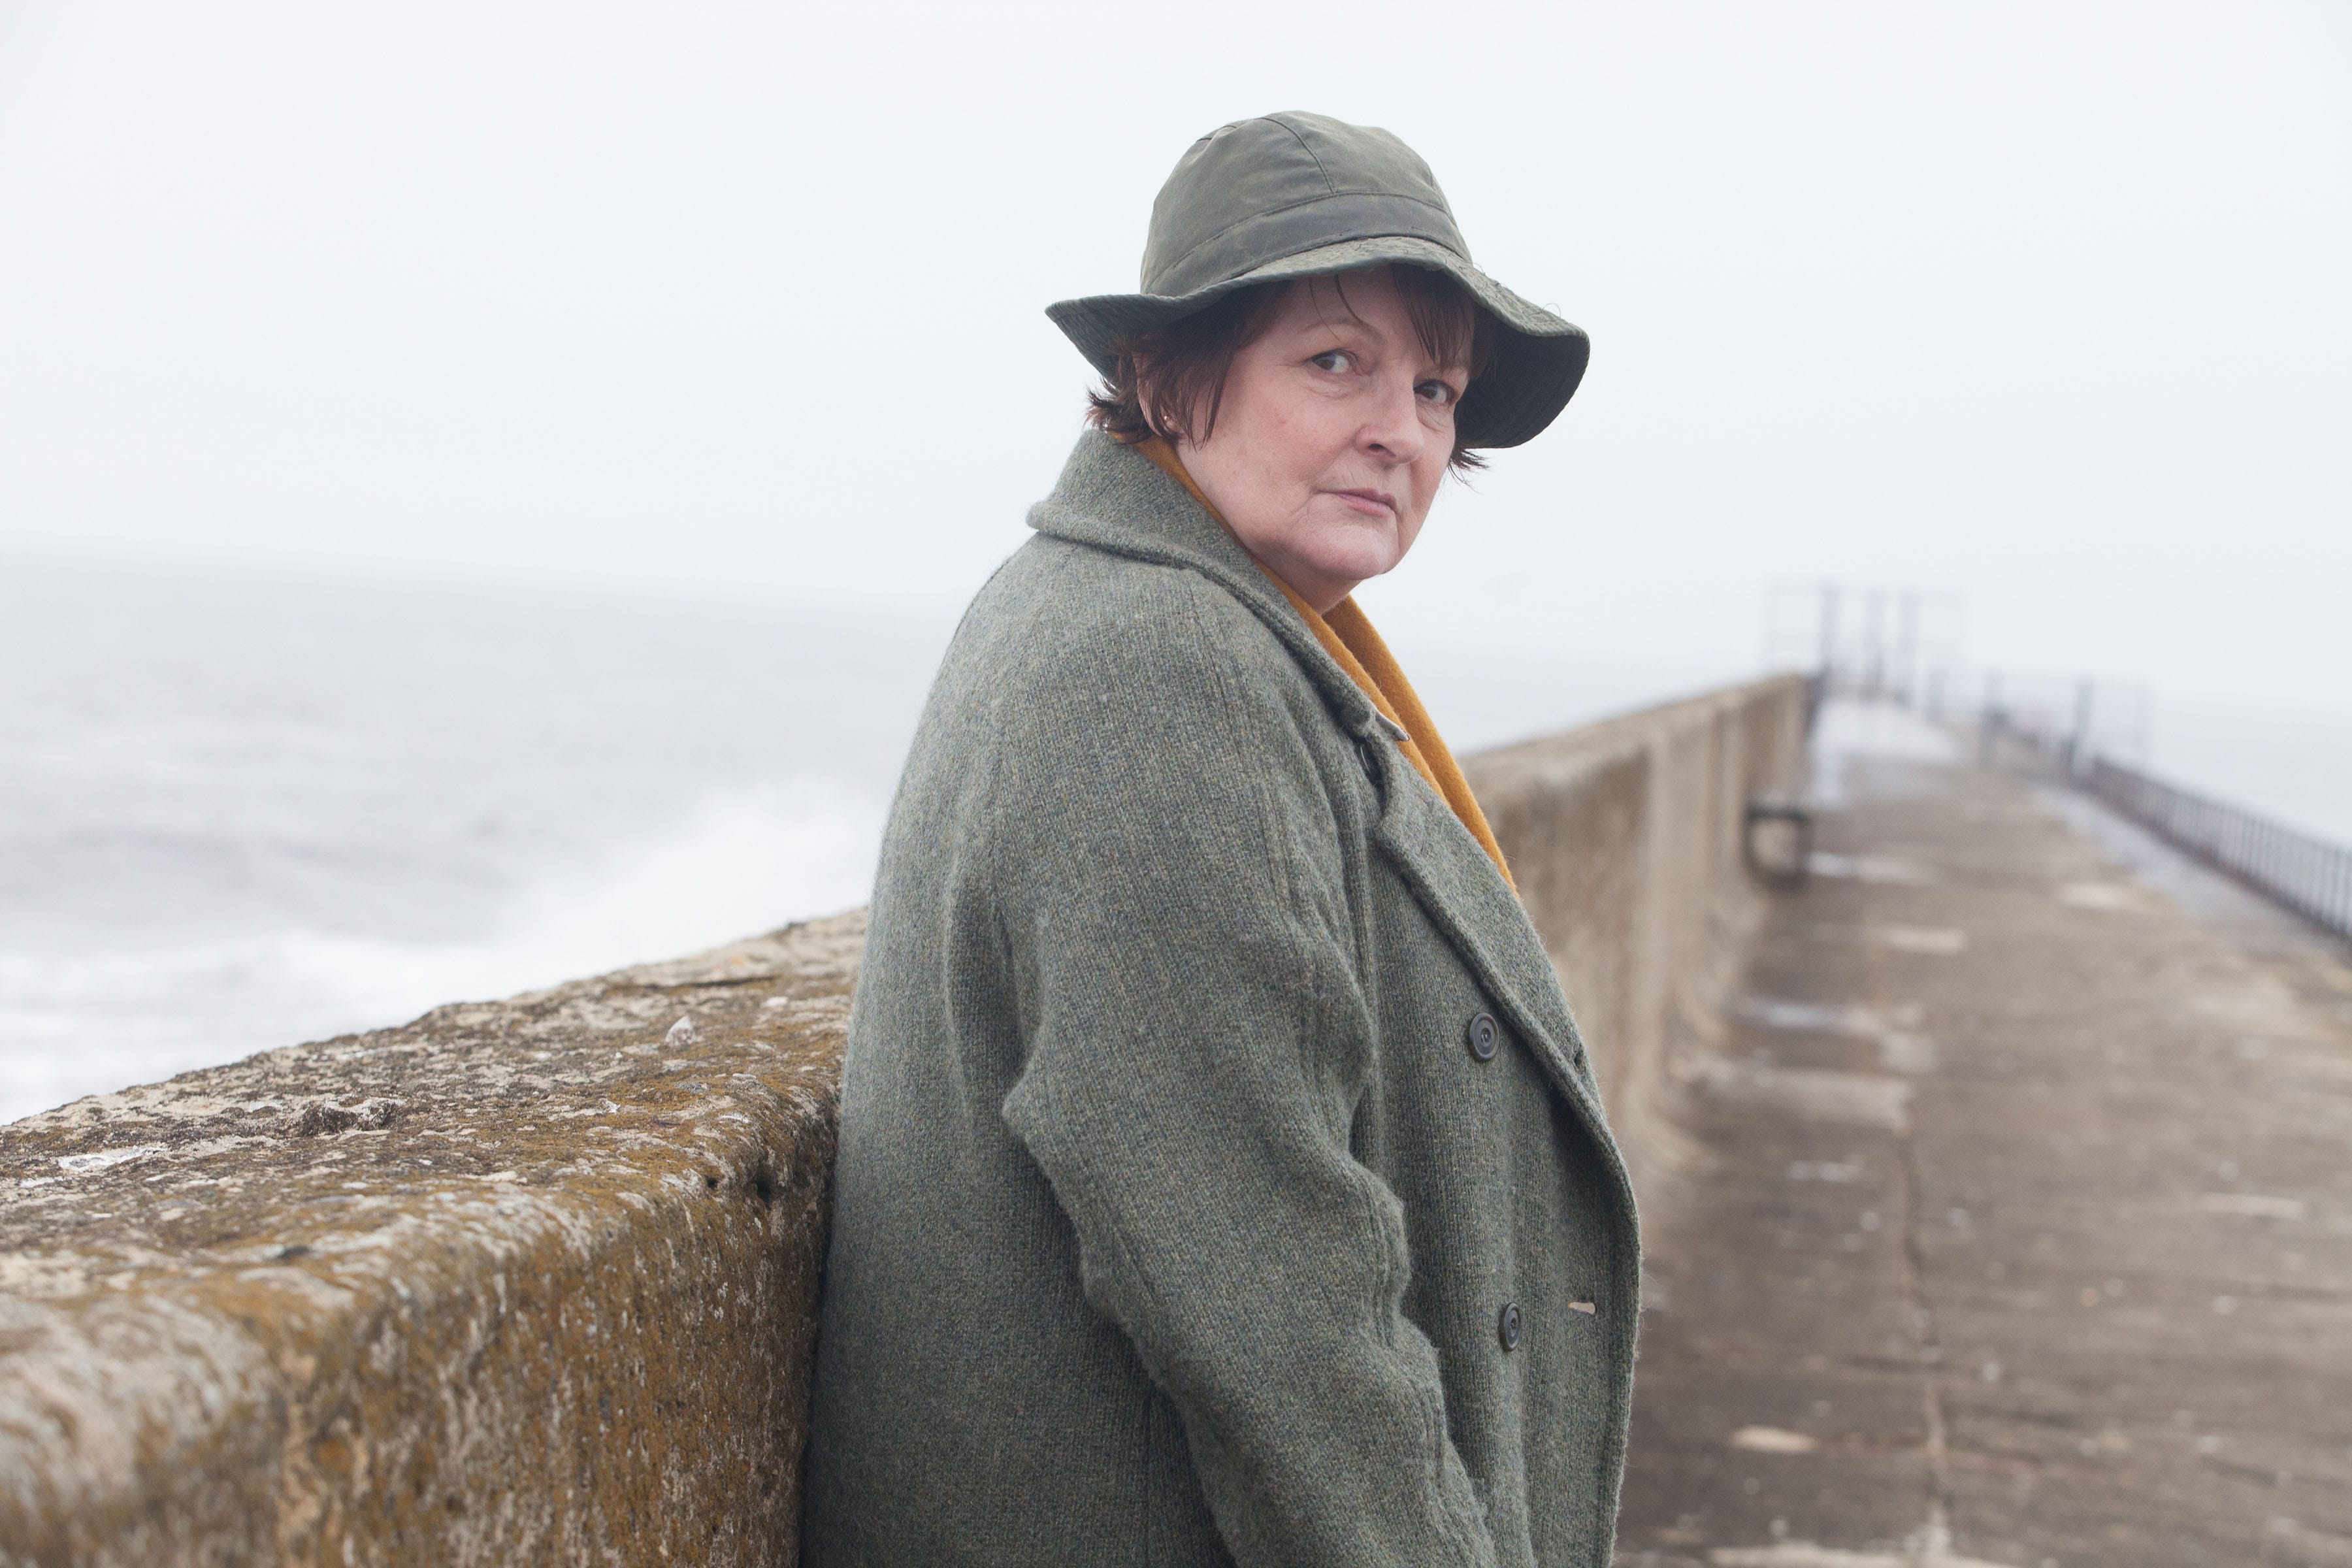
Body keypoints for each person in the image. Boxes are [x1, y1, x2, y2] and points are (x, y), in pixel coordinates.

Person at [802, 111, 1640, 1568]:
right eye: (1335, 363)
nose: (1403, 430)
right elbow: (1272, 1300)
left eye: (1435, 388)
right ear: (1166, 377)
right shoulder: (1156, 664)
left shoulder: (1163, 613)